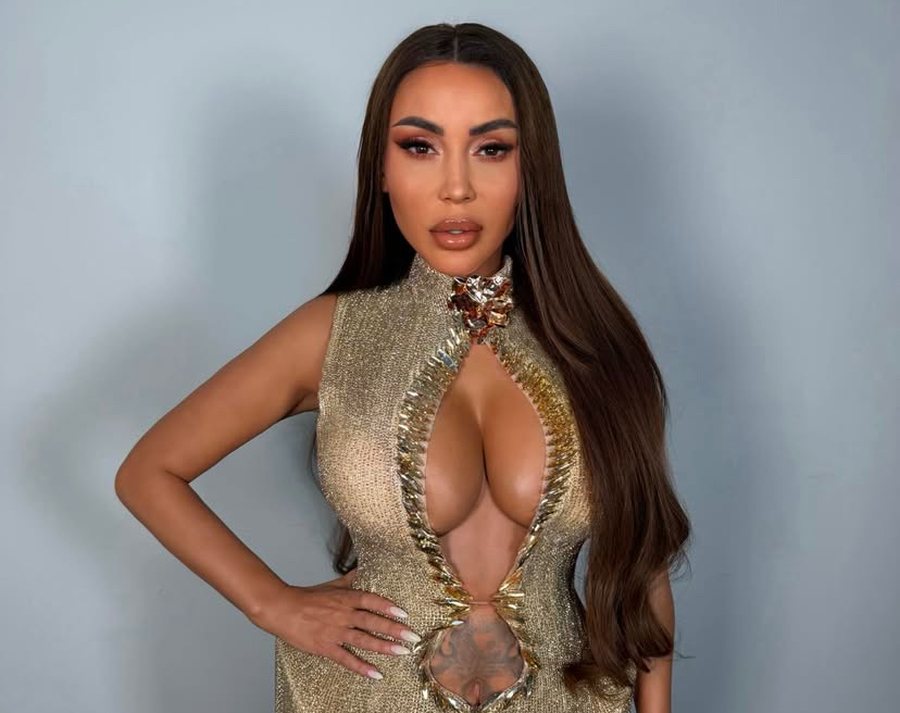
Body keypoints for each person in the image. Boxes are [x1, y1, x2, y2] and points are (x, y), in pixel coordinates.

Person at [115, 21, 691, 713]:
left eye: (491, 148)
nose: (456, 188)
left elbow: (642, 567)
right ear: (382, 170)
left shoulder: (598, 343)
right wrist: (272, 603)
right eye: (420, 147)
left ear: (531, 170)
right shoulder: (331, 333)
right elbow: (148, 471)